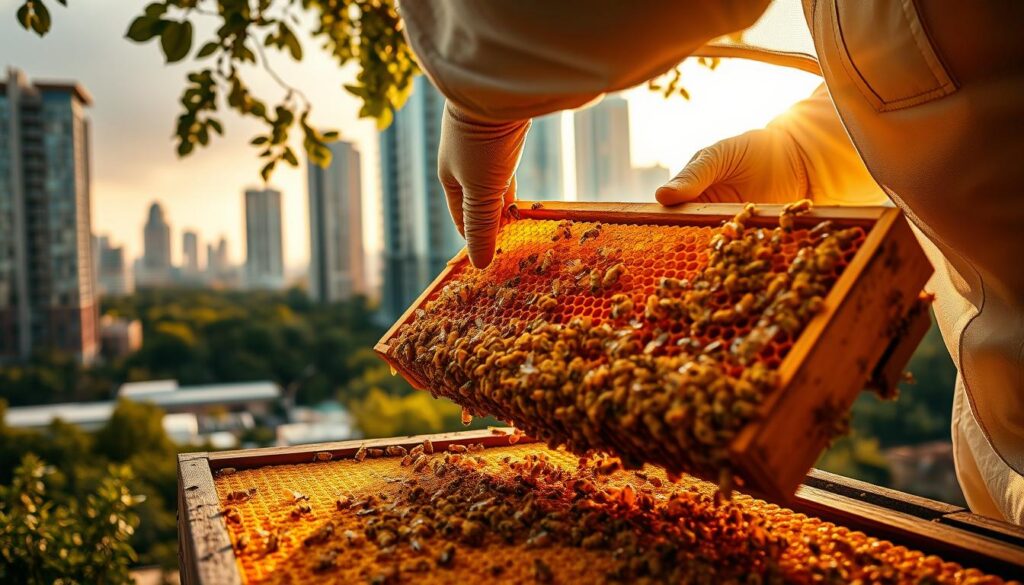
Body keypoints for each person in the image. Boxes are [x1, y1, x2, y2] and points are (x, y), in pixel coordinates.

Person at [395, 0, 1024, 524]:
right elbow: (963, 57)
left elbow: (558, 19)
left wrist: (477, 95)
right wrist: (806, 156)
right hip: (999, 469)